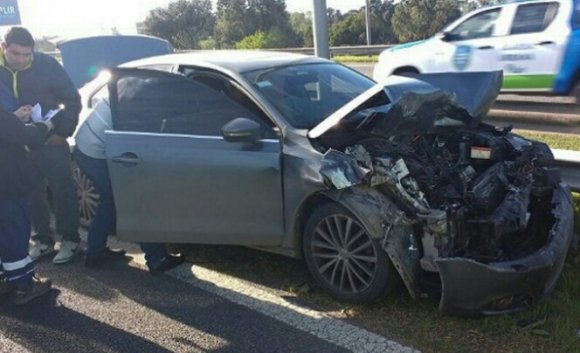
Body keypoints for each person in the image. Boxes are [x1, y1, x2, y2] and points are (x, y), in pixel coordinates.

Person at [74, 87, 183, 274]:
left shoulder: (131, 91)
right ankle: (156, 259)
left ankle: (94, 253)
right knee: (133, 201)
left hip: (86, 148)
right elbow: (140, 145)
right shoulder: (140, 107)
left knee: (110, 202)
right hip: (95, 153)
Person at [0, 27, 82, 264]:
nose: (22, 60)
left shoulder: (47, 65)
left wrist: (63, 132)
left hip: (50, 141)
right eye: (16, 54)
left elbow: (72, 99)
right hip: (16, 146)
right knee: (32, 193)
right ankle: (43, 240)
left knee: (62, 191)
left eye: (27, 55)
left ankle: (70, 240)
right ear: (4, 48)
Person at [0, 108, 52, 304]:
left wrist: (13, 118)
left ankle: (4, 280)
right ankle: (23, 286)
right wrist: (44, 126)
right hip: (7, 184)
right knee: (14, 232)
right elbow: (23, 135)